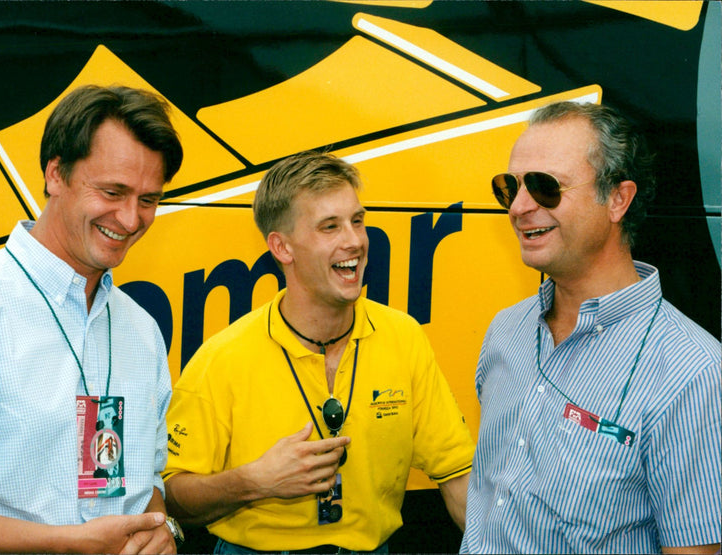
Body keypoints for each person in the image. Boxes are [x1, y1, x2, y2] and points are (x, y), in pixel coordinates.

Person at [162, 150, 475, 553]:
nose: (356, 241)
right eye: (330, 227)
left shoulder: (403, 336)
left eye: (357, 221)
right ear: (282, 247)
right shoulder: (221, 358)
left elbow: (458, 474)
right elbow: (170, 497)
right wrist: (253, 482)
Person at [0, 85, 187, 554]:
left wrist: (159, 530)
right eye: (112, 191)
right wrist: (62, 544)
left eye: (148, 199)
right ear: (55, 174)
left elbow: (148, 484)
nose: (130, 219)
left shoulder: (140, 331)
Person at [462, 101, 721, 554]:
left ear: (618, 199)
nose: (519, 207)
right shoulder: (506, 332)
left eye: (545, 187)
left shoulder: (691, 373)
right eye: (509, 187)